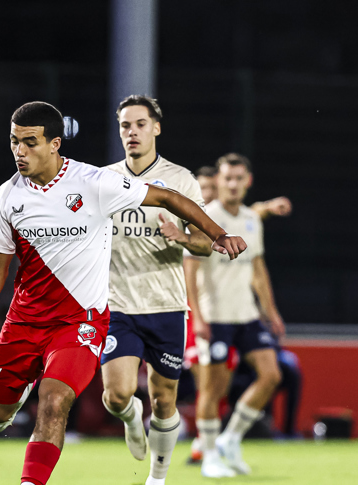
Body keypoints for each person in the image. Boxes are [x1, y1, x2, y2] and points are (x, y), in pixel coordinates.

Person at [0, 101, 246, 485]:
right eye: (14, 142)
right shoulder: (8, 196)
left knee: (55, 402)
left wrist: (219, 234)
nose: (20, 151)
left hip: (80, 321)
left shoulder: (93, 183)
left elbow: (168, 198)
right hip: (25, 321)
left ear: (55, 144)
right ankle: (27, 380)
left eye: (30, 142)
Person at [100, 95, 212, 485]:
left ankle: (157, 479)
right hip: (117, 305)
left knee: (164, 400)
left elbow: (205, 243)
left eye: (140, 124)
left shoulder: (180, 180)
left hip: (165, 305)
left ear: (156, 128)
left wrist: (182, 237)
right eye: (125, 125)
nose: (132, 132)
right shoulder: (103, 180)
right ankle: (132, 417)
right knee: (117, 396)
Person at [185, 164, 293, 464]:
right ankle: (208, 456)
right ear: (219, 180)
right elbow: (189, 269)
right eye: (227, 178)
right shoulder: (204, 217)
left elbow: (258, 269)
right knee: (212, 389)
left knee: (271, 375)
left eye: (238, 178)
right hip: (214, 316)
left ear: (248, 181)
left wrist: (271, 312)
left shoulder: (251, 219)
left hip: (246, 315)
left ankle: (230, 439)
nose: (232, 184)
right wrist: (198, 317)